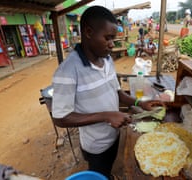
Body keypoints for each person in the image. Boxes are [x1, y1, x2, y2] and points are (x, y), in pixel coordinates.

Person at [51, 6, 162, 179]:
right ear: (88, 32)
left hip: (114, 135)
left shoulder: (107, 60)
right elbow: (60, 117)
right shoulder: (67, 71)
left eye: (114, 38)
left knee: (110, 166)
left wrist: (139, 103)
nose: (112, 44)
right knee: (99, 173)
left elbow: (117, 93)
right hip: (96, 146)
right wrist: (106, 116)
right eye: (108, 38)